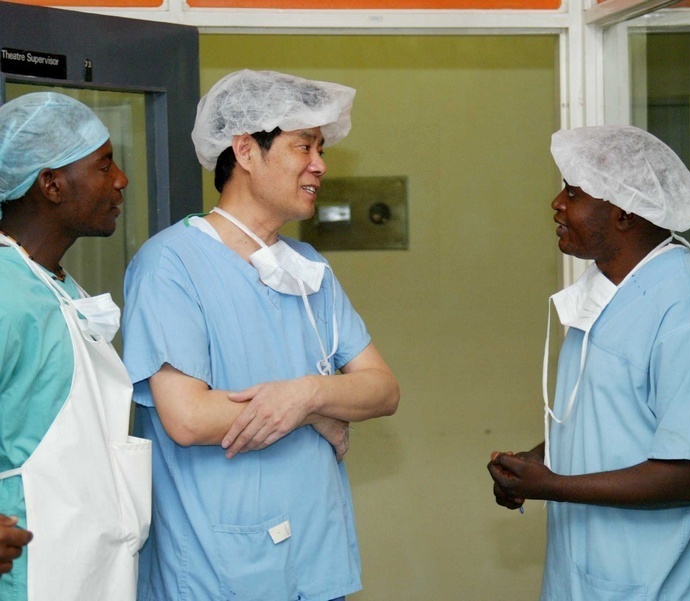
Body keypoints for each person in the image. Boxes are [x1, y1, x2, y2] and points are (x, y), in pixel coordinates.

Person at [122, 69, 400, 600]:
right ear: (246, 150)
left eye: (321, 149)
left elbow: (383, 389)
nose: (320, 165)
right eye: (303, 146)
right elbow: (188, 417)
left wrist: (309, 395)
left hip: (315, 563)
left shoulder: (307, 267)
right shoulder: (171, 265)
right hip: (220, 572)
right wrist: (316, 411)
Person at [487, 125, 690, 600]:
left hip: (667, 586)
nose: (557, 204)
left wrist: (554, 485)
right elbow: (610, 420)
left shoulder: (688, 310)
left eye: (573, 193)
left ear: (624, 211)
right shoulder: (604, 295)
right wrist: (538, 461)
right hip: (587, 580)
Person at [0, 92, 151, 600]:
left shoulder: (56, 286)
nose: (121, 180)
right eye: (104, 166)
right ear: (51, 184)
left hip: (93, 569)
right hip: (30, 572)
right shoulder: (5, 291)